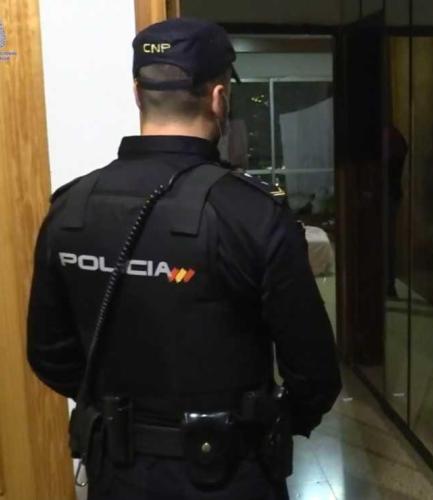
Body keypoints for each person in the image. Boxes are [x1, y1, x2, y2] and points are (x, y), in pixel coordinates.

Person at [26, 18, 341, 500]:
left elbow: (49, 354)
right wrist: (265, 427)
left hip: (116, 475)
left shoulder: (72, 207)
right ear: (219, 98)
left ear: (138, 94)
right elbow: (314, 373)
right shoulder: (253, 214)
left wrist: (124, 416)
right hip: (230, 473)